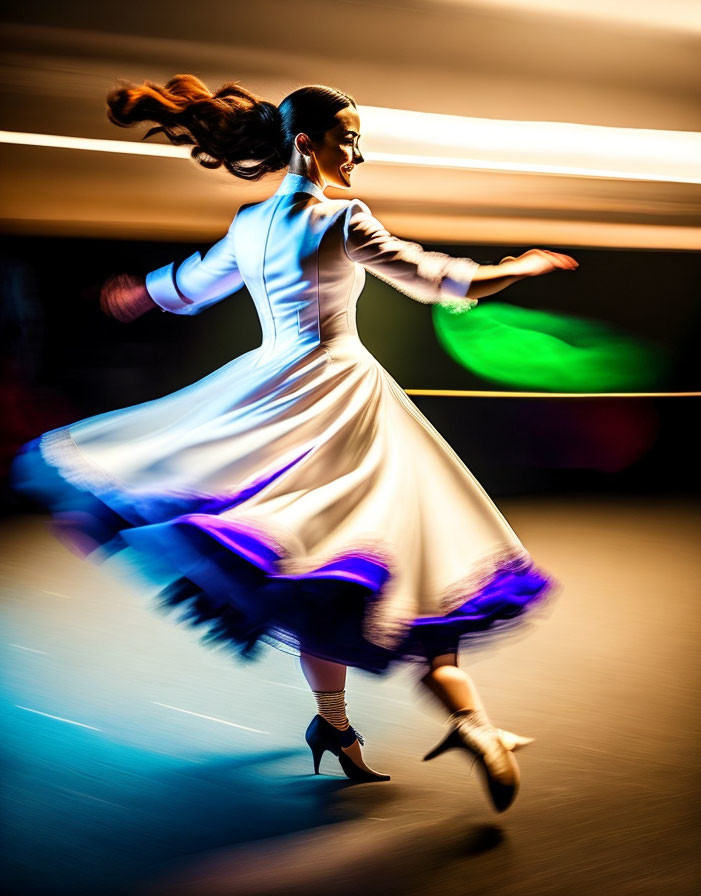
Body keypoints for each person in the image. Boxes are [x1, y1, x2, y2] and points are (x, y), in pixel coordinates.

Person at [11, 75, 578, 811]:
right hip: (342, 397)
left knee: (318, 564)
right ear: (306, 142)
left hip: (274, 389)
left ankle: (336, 725)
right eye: (348, 138)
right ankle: (465, 721)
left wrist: (138, 294)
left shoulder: (251, 222)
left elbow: (189, 283)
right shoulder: (343, 218)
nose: (359, 153)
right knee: (394, 549)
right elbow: (431, 276)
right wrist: (518, 267)